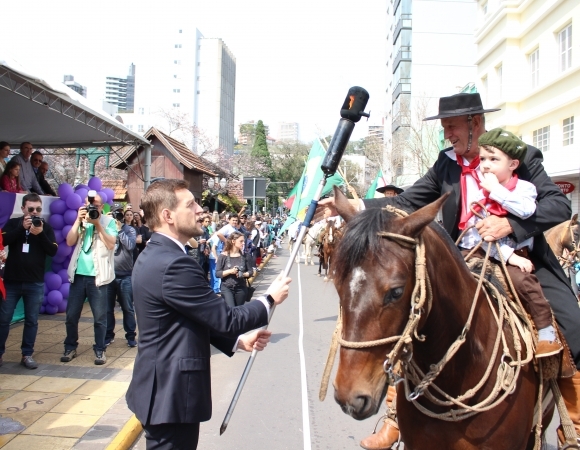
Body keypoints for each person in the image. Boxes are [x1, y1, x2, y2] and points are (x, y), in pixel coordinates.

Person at [318, 93, 580, 449]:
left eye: (451, 126)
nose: (447, 134)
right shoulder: (445, 164)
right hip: (462, 257)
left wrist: (511, 226)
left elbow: (558, 205)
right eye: (444, 127)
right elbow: (408, 200)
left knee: (573, 325)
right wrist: (350, 206)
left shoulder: (522, 157)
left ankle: (572, 423)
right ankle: (396, 416)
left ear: (475, 123)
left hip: (517, 254)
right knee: (412, 321)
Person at [125, 178, 292, 449]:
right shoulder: (174, 264)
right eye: (190, 204)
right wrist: (269, 299)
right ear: (167, 215)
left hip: (164, 392)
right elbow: (226, 318)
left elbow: (191, 317)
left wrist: (237, 342)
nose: (200, 210)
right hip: (170, 396)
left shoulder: (157, 254)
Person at [460, 128, 561, 357]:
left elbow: (526, 211)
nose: (486, 165)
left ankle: (546, 331)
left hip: (516, 254)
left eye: (494, 159)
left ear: (513, 164)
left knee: (525, 283)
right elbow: (481, 235)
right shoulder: (479, 196)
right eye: (483, 159)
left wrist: (496, 191)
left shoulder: (524, 189)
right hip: (486, 251)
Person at [0, 194, 57, 369]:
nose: (34, 213)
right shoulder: (13, 223)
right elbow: (4, 240)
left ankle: (27, 354)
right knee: (3, 319)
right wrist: (20, 229)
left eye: (38, 209)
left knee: (32, 320)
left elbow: (52, 251)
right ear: (23, 208)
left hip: (34, 283)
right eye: (31, 209)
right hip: (12, 281)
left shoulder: (45, 228)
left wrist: (40, 235)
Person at [63, 193, 117, 365]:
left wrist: (98, 225)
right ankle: (70, 346)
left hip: (98, 277)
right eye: (90, 205)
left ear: (103, 207)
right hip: (79, 276)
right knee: (71, 315)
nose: (94, 208)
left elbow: (111, 244)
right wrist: (78, 221)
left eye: (97, 205)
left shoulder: (109, 222)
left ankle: (100, 349)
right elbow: (70, 241)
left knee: (100, 317)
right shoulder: (82, 221)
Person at [105, 206, 138, 348]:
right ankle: (108, 335)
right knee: (107, 308)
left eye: (119, 214)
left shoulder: (129, 229)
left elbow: (130, 246)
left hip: (125, 276)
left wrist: (119, 230)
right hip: (109, 274)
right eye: (114, 214)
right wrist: (105, 222)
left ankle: (130, 336)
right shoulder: (106, 227)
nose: (116, 217)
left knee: (128, 308)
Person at [216, 232, 253, 307]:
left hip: (241, 288)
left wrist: (243, 274)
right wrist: (230, 271)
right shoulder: (223, 256)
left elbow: (251, 271)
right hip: (227, 287)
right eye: (241, 241)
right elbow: (217, 273)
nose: (243, 243)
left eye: (244, 241)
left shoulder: (246, 256)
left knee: (238, 310)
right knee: (231, 308)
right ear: (233, 241)